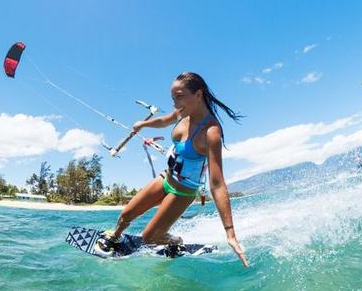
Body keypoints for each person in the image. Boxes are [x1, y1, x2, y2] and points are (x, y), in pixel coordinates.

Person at [98, 72, 249, 267]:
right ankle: (115, 237)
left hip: (184, 191)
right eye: (173, 98)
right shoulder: (182, 113)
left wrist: (230, 233)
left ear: (198, 94)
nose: (175, 103)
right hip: (166, 177)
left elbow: (217, 184)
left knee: (149, 238)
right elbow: (164, 120)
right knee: (126, 215)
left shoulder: (211, 132)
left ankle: (175, 241)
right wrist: (143, 124)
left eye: (179, 96)